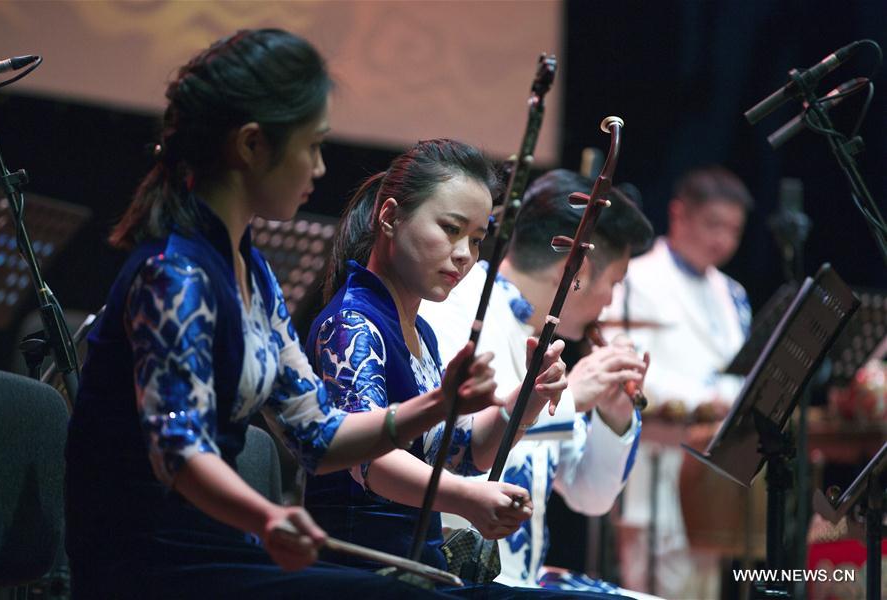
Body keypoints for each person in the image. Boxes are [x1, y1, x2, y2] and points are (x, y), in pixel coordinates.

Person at [64, 29, 501, 600]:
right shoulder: (175, 273)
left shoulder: (253, 273)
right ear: (252, 145)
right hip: (149, 566)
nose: (320, 168)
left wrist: (438, 403)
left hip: (217, 554)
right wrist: (266, 517)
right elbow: (178, 447)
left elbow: (317, 435)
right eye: (311, 147)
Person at [303, 140, 576, 579]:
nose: (465, 254)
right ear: (390, 217)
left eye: (477, 239)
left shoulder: (419, 331)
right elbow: (370, 461)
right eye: (450, 229)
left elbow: (458, 451)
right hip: (361, 573)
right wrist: (466, 499)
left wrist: (527, 399)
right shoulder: (352, 324)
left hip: (414, 571)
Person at [420, 169, 655, 595]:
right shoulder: (457, 310)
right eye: (614, 284)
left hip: (522, 579)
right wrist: (572, 397)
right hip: (459, 578)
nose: (609, 303)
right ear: (575, 269)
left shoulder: (542, 335)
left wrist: (613, 416)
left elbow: (590, 495)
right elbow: (453, 443)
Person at [605, 166, 753, 599]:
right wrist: (708, 399)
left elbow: (739, 370)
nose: (722, 239)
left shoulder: (732, 291)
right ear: (679, 214)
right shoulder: (635, 277)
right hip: (657, 463)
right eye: (713, 224)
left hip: (714, 471)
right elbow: (622, 364)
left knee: (706, 588)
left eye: (733, 230)